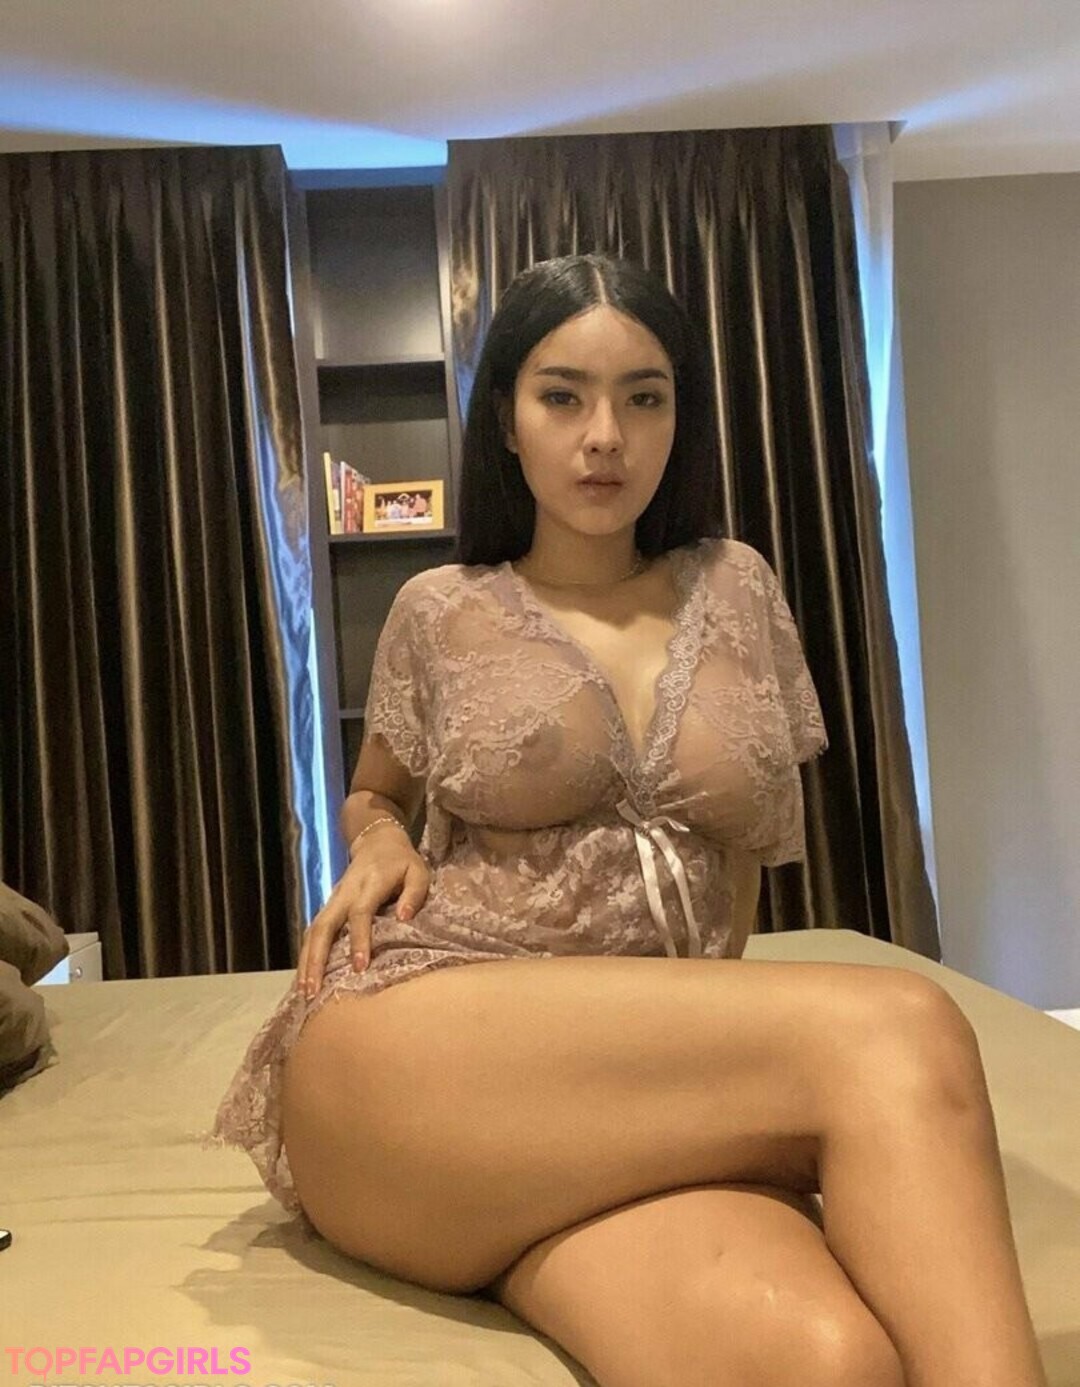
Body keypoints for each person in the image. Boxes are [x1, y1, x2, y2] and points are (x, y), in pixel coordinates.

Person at [213, 254, 1047, 1387]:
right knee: (900, 1026)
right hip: (426, 1045)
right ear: (506, 419)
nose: (604, 436)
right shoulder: (439, 608)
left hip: (633, 1097)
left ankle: (536, 1215)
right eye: (562, 396)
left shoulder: (737, 588)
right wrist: (382, 838)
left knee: (826, 1361)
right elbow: (376, 792)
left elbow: (742, 853)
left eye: (643, 398)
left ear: (677, 417)